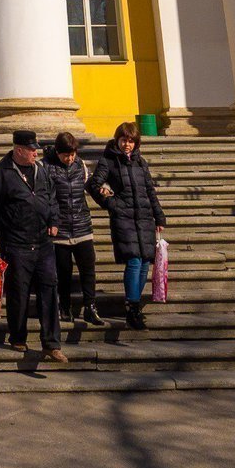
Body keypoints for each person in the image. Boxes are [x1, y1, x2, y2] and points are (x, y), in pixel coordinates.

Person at [0, 128, 66, 361]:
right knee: (18, 293)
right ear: (19, 150)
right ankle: (18, 337)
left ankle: (51, 343)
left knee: (49, 290)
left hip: (43, 242)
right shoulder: (1, 173)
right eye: (32, 149)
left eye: (36, 149)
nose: (36, 153)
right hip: (16, 243)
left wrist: (54, 220)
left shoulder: (42, 171)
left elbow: (52, 199)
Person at [89, 120, 167, 329]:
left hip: (144, 218)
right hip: (123, 218)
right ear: (117, 140)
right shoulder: (109, 160)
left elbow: (150, 191)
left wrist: (159, 217)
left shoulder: (141, 162)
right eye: (124, 140)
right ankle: (132, 307)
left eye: (131, 141)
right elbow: (94, 184)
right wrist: (112, 204)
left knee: (143, 263)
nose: (127, 145)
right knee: (133, 261)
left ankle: (134, 305)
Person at [46, 130, 101, 326]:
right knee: (63, 271)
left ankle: (90, 306)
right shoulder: (47, 168)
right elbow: (46, 199)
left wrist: (104, 190)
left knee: (88, 269)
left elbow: (91, 186)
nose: (69, 159)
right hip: (60, 230)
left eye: (72, 154)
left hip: (82, 226)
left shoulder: (81, 166)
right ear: (57, 152)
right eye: (65, 155)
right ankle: (65, 306)